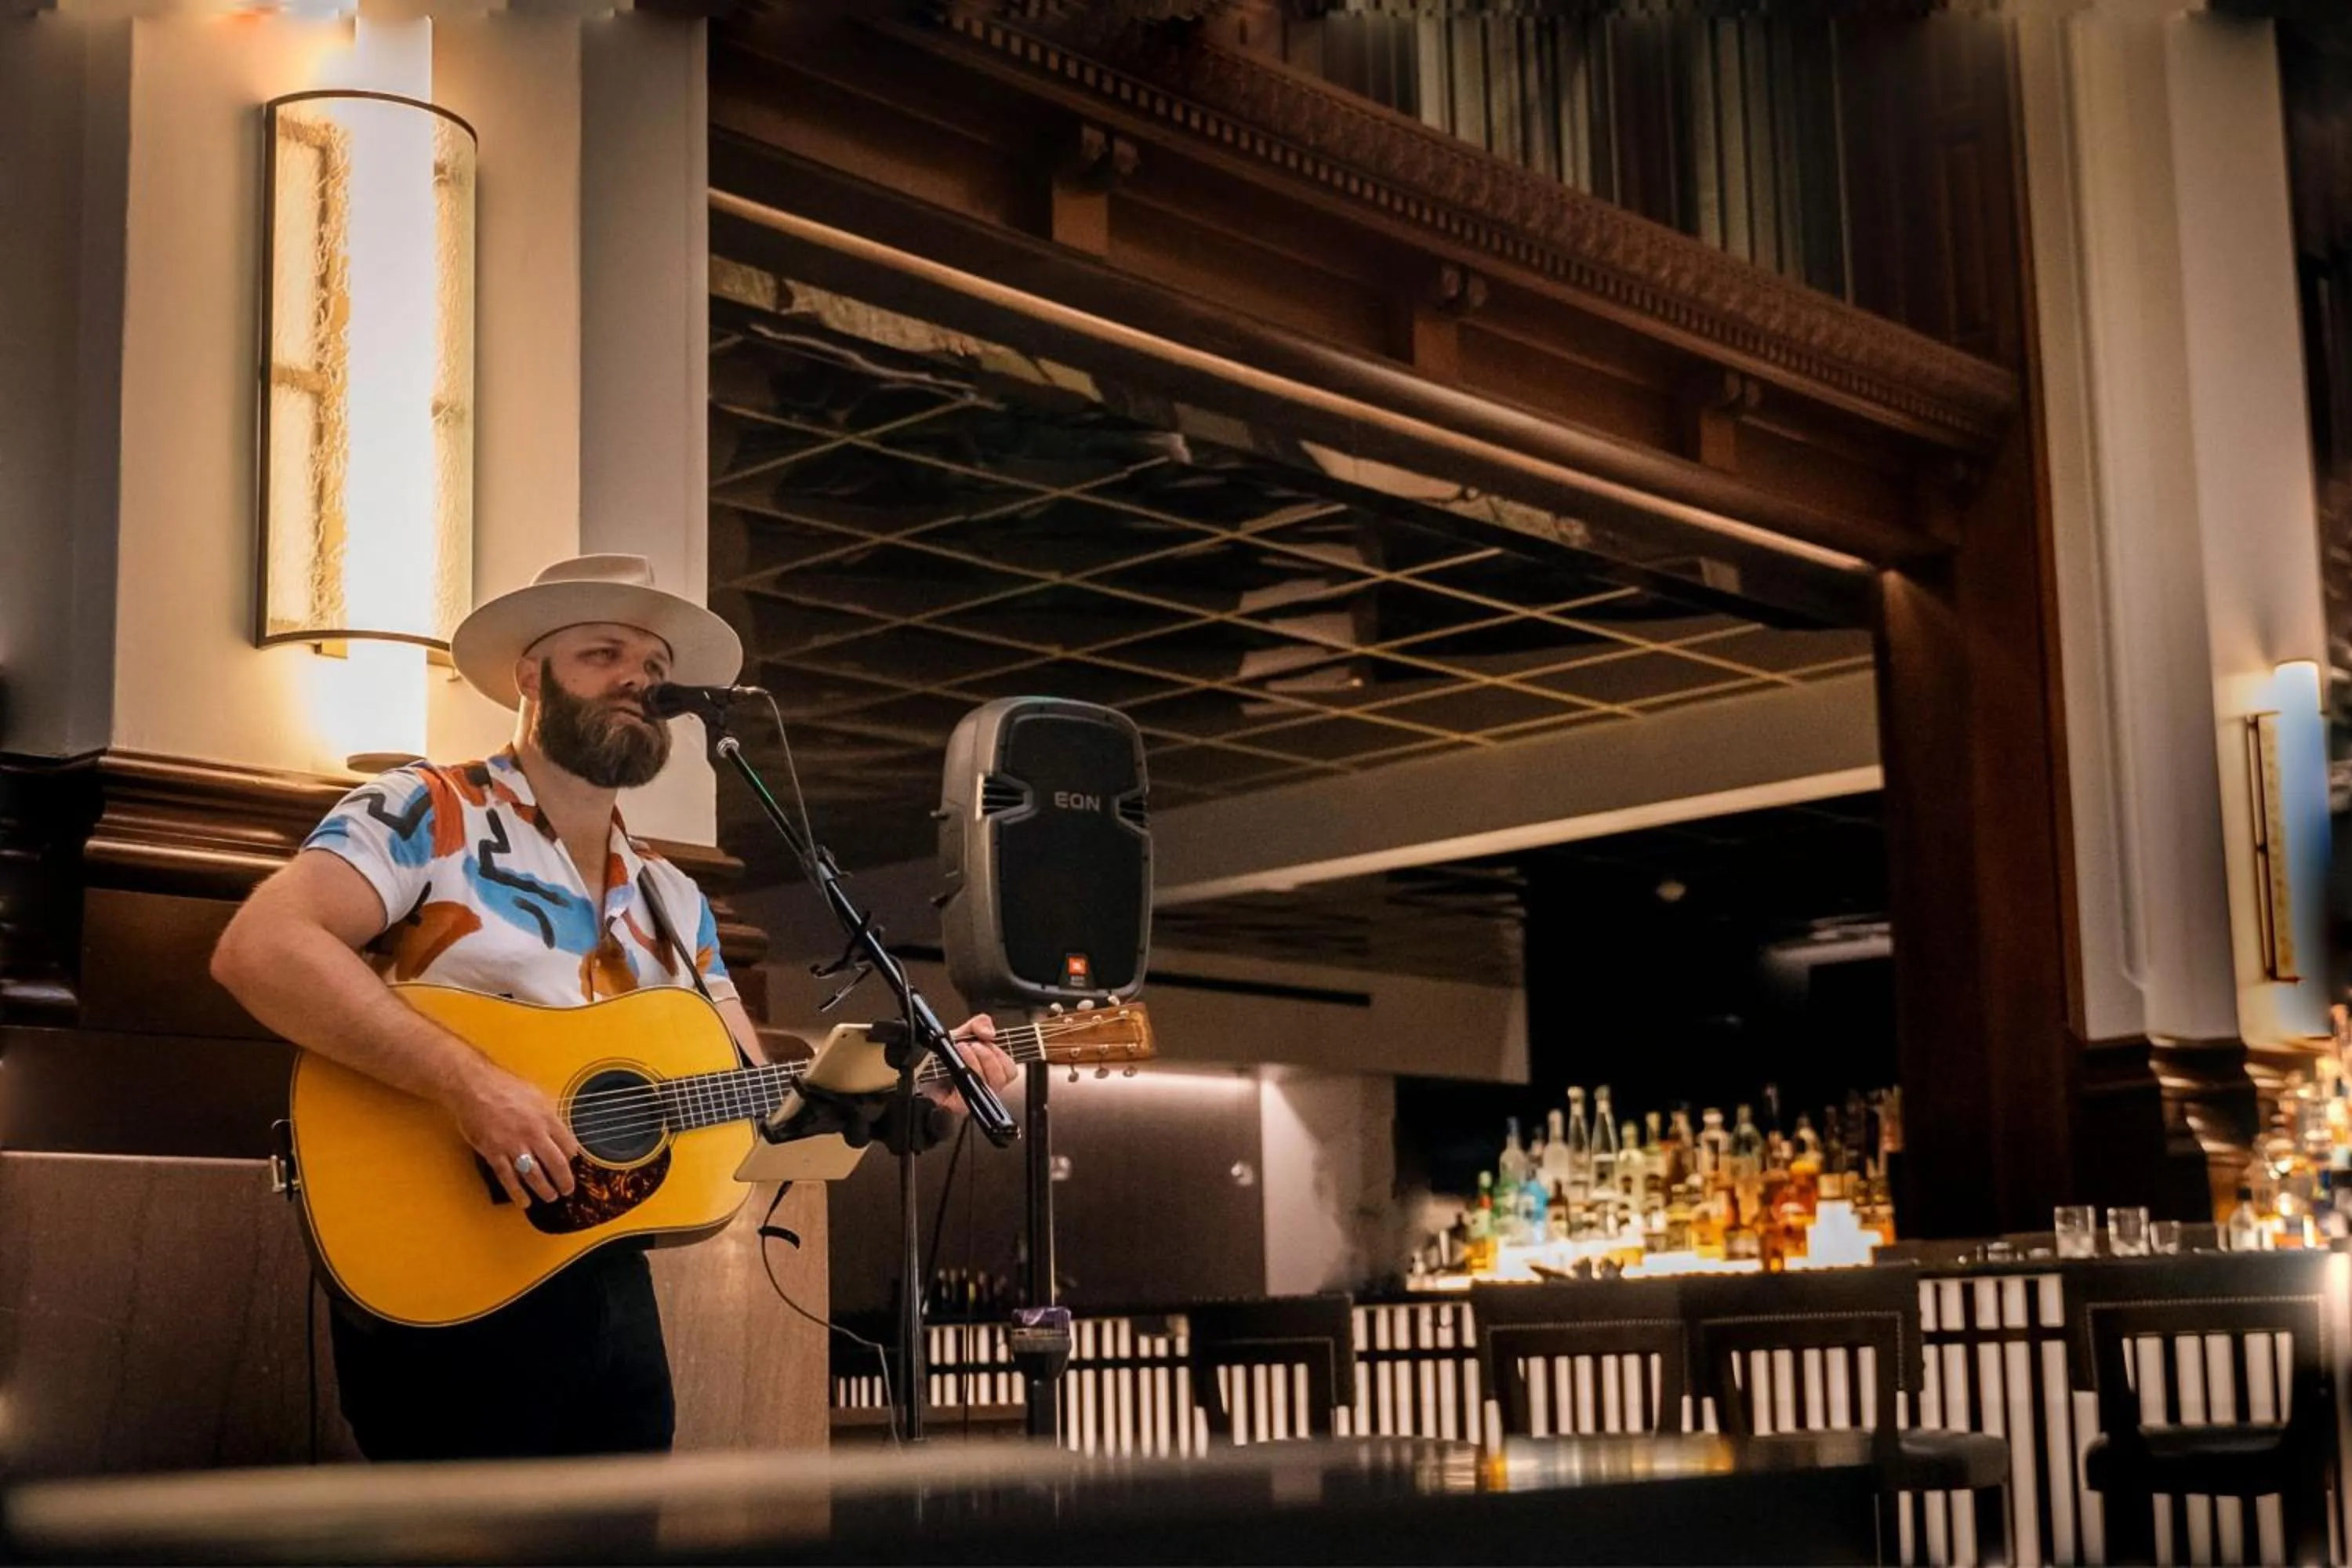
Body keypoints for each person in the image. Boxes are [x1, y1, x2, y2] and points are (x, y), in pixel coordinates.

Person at [211, 553, 1015, 1461]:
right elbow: (262, 947)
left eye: (656, 668)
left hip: (609, 1294)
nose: (639, 679)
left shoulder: (673, 896)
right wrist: (471, 1083)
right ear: (529, 674)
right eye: (604, 653)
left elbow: (754, 1109)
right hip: (442, 1273)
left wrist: (904, 1094)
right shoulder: (427, 809)